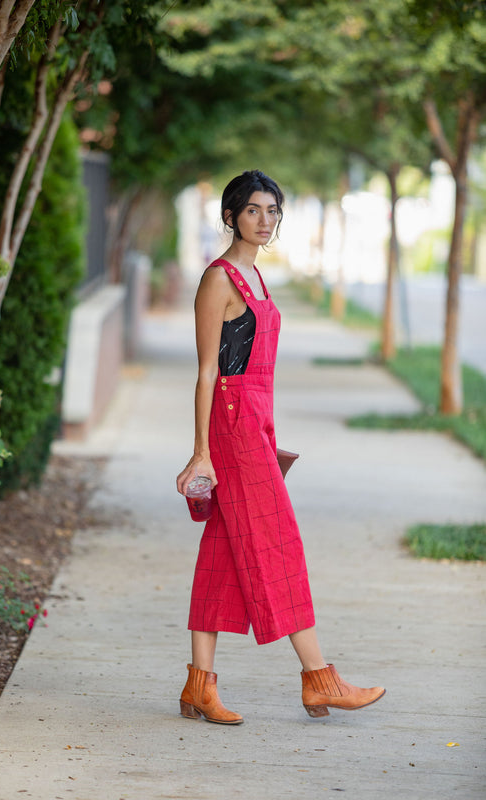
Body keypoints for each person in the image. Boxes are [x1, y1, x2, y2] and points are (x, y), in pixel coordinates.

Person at [176, 170, 385, 724]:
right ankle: (320, 679)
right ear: (230, 216)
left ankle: (200, 684)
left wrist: (265, 428)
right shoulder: (218, 278)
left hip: (257, 422)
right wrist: (202, 452)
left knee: (223, 552)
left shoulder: (258, 276)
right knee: (278, 543)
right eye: (253, 210)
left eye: (272, 210)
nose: (264, 220)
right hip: (231, 427)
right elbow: (205, 372)